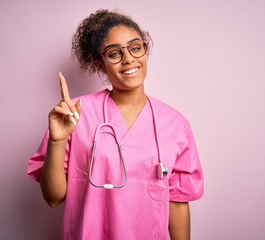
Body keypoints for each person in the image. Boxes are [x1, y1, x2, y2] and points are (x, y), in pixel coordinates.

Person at [27, 9, 203, 240]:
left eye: (135, 47)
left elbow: (178, 203)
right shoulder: (76, 114)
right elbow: (53, 197)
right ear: (100, 63)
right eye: (114, 53)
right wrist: (58, 141)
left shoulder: (175, 124)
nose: (129, 58)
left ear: (144, 50)